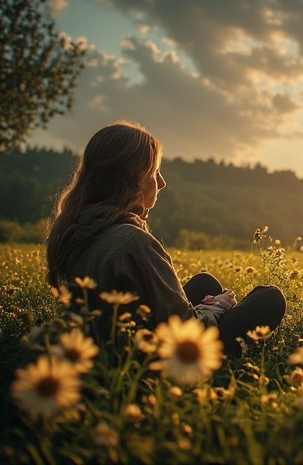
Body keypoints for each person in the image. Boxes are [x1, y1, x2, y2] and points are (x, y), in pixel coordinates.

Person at [45, 118, 286, 355]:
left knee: (205, 282)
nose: (161, 183)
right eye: (155, 172)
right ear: (134, 178)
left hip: (108, 341)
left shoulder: (80, 228)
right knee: (270, 298)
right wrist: (215, 310)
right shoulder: (131, 241)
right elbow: (184, 332)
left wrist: (205, 308)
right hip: (162, 358)